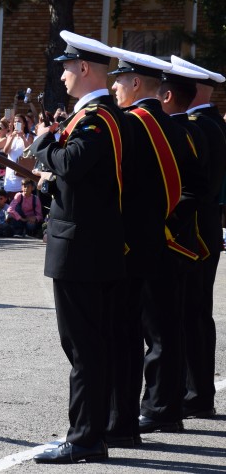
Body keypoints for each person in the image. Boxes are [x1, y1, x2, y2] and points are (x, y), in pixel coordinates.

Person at [32, 31, 125, 464]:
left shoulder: (96, 119)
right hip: (91, 245)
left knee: (83, 346)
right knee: (92, 343)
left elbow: (72, 162)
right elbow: (84, 182)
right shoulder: (100, 116)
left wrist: (42, 146)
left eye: (68, 66)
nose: (64, 74)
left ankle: (86, 437)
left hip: (82, 249)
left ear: (85, 68)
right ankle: (95, 430)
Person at [107, 50, 204, 442]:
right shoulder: (177, 126)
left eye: (119, 80)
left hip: (147, 244)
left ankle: (160, 409)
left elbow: (126, 187)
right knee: (168, 328)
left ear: (135, 83)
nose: (113, 87)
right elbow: (197, 187)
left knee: (151, 331)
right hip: (174, 241)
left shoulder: (136, 124)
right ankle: (168, 406)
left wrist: (155, 226)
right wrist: (172, 226)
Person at [172, 55, 226, 420]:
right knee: (197, 314)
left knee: (188, 314)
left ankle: (194, 394)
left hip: (193, 230)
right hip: (206, 228)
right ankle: (199, 393)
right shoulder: (213, 123)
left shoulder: (196, 125)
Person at [2, 113, 33, 194]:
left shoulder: (28, 136)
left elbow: (29, 151)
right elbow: (6, 151)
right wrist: (12, 137)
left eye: (19, 122)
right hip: (11, 173)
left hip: (22, 173)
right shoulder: (10, 136)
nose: (16, 124)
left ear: (24, 124)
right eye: (15, 122)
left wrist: (22, 137)